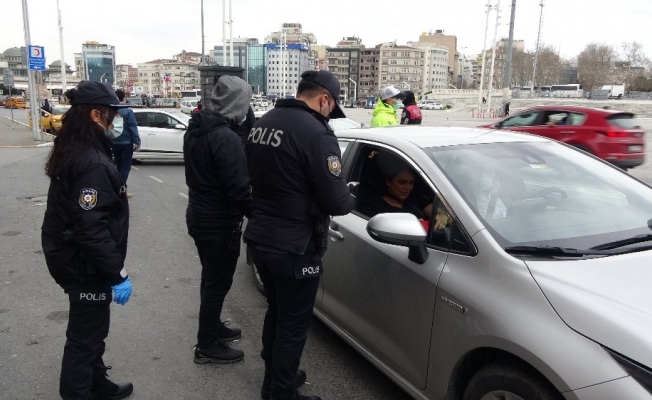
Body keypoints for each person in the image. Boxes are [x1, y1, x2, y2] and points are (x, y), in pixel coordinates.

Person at [245, 70, 355, 400]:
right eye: (331, 107)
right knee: (293, 324)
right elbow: (337, 202)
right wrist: (352, 195)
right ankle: (282, 391)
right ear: (324, 99)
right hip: (295, 246)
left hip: (261, 237)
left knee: (277, 312)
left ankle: (275, 378)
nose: (329, 115)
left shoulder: (264, 122)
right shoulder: (316, 133)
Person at [41, 81, 134, 400]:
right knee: (84, 339)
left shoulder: (82, 150)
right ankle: (81, 391)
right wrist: (117, 274)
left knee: (94, 331)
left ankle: (97, 384)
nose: (116, 121)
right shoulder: (92, 162)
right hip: (83, 265)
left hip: (75, 259)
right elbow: (91, 228)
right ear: (96, 114)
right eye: (112, 115)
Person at [184, 75, 253, 364]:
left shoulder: (197, 128)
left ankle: (213, 328)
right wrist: (259, 215)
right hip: (219, 221)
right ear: (239, 103)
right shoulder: (224, 137)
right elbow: (238, 188)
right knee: (218, 282)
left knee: (210, 276)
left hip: (200, 215)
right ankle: (207, 345)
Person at [112, 89, 141, 199]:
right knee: (125, 167)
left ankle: (118, 186)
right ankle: (121, 188)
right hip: (126, 142)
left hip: (113, 141)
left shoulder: (110, 110)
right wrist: (137, 142)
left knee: (118, 165)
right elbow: (132, 127)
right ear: (123, 98)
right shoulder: (127, 111)